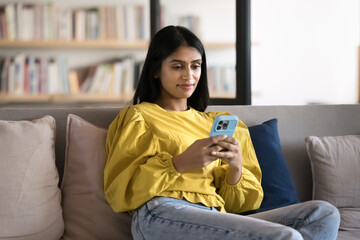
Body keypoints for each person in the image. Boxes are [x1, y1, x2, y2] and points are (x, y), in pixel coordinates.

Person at [104, 25, 340, 240]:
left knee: (323, 214)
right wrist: (179, 162)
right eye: (177, 66)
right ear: (156, 70)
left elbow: (239, 206)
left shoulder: (219, 122)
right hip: (161, 212)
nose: (189, 76)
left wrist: (236, 168)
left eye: (195, 66)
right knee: (285, 237)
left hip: (215, 215)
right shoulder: (139, 117)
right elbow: (120, 192)